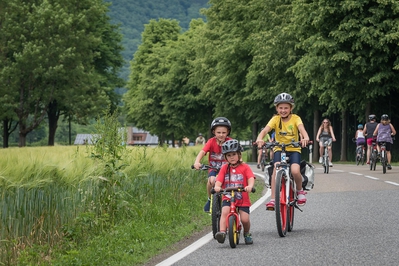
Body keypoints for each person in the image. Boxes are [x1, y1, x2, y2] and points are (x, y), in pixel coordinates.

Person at [256, 93, 310, 210]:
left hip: (294, 149)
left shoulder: (296, 118)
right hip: (279, 149)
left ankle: (300, 191)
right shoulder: (275, 119)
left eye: (286, 108)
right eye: (280, 108)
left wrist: (305, 137)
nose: (283, 110)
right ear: (277, 108)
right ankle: (272, 199)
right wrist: (260, 138)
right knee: (276, 168)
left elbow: (301, 129)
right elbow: (266, 130)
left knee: (295, 171)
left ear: (291, 108)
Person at [214, 139, 255, 245]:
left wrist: (250, 186)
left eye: (234, 154)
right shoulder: (224, 168)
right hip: (228, 196)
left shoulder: (245, 167)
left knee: (245, 219)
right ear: (225, 157)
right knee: (225, 212)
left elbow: (251, 178)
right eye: (228, 155)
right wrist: (217, 187)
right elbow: (219, 179)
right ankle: (222, 232)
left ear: (239, 154)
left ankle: (246, 233)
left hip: (242, 198)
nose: (231, 157)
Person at [193, 117, 232, 213]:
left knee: (229, 185)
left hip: (227, 168)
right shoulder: (211, 142)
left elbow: (237, 155)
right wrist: (197, 162)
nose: (221, 135)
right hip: (213, 168)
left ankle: (230, 201)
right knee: (211, 181)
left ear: (228, 132)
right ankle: (210, 199)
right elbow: (202, 152)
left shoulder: (230, 142)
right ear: (214, 132)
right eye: (218, 132)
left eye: (224, 132)